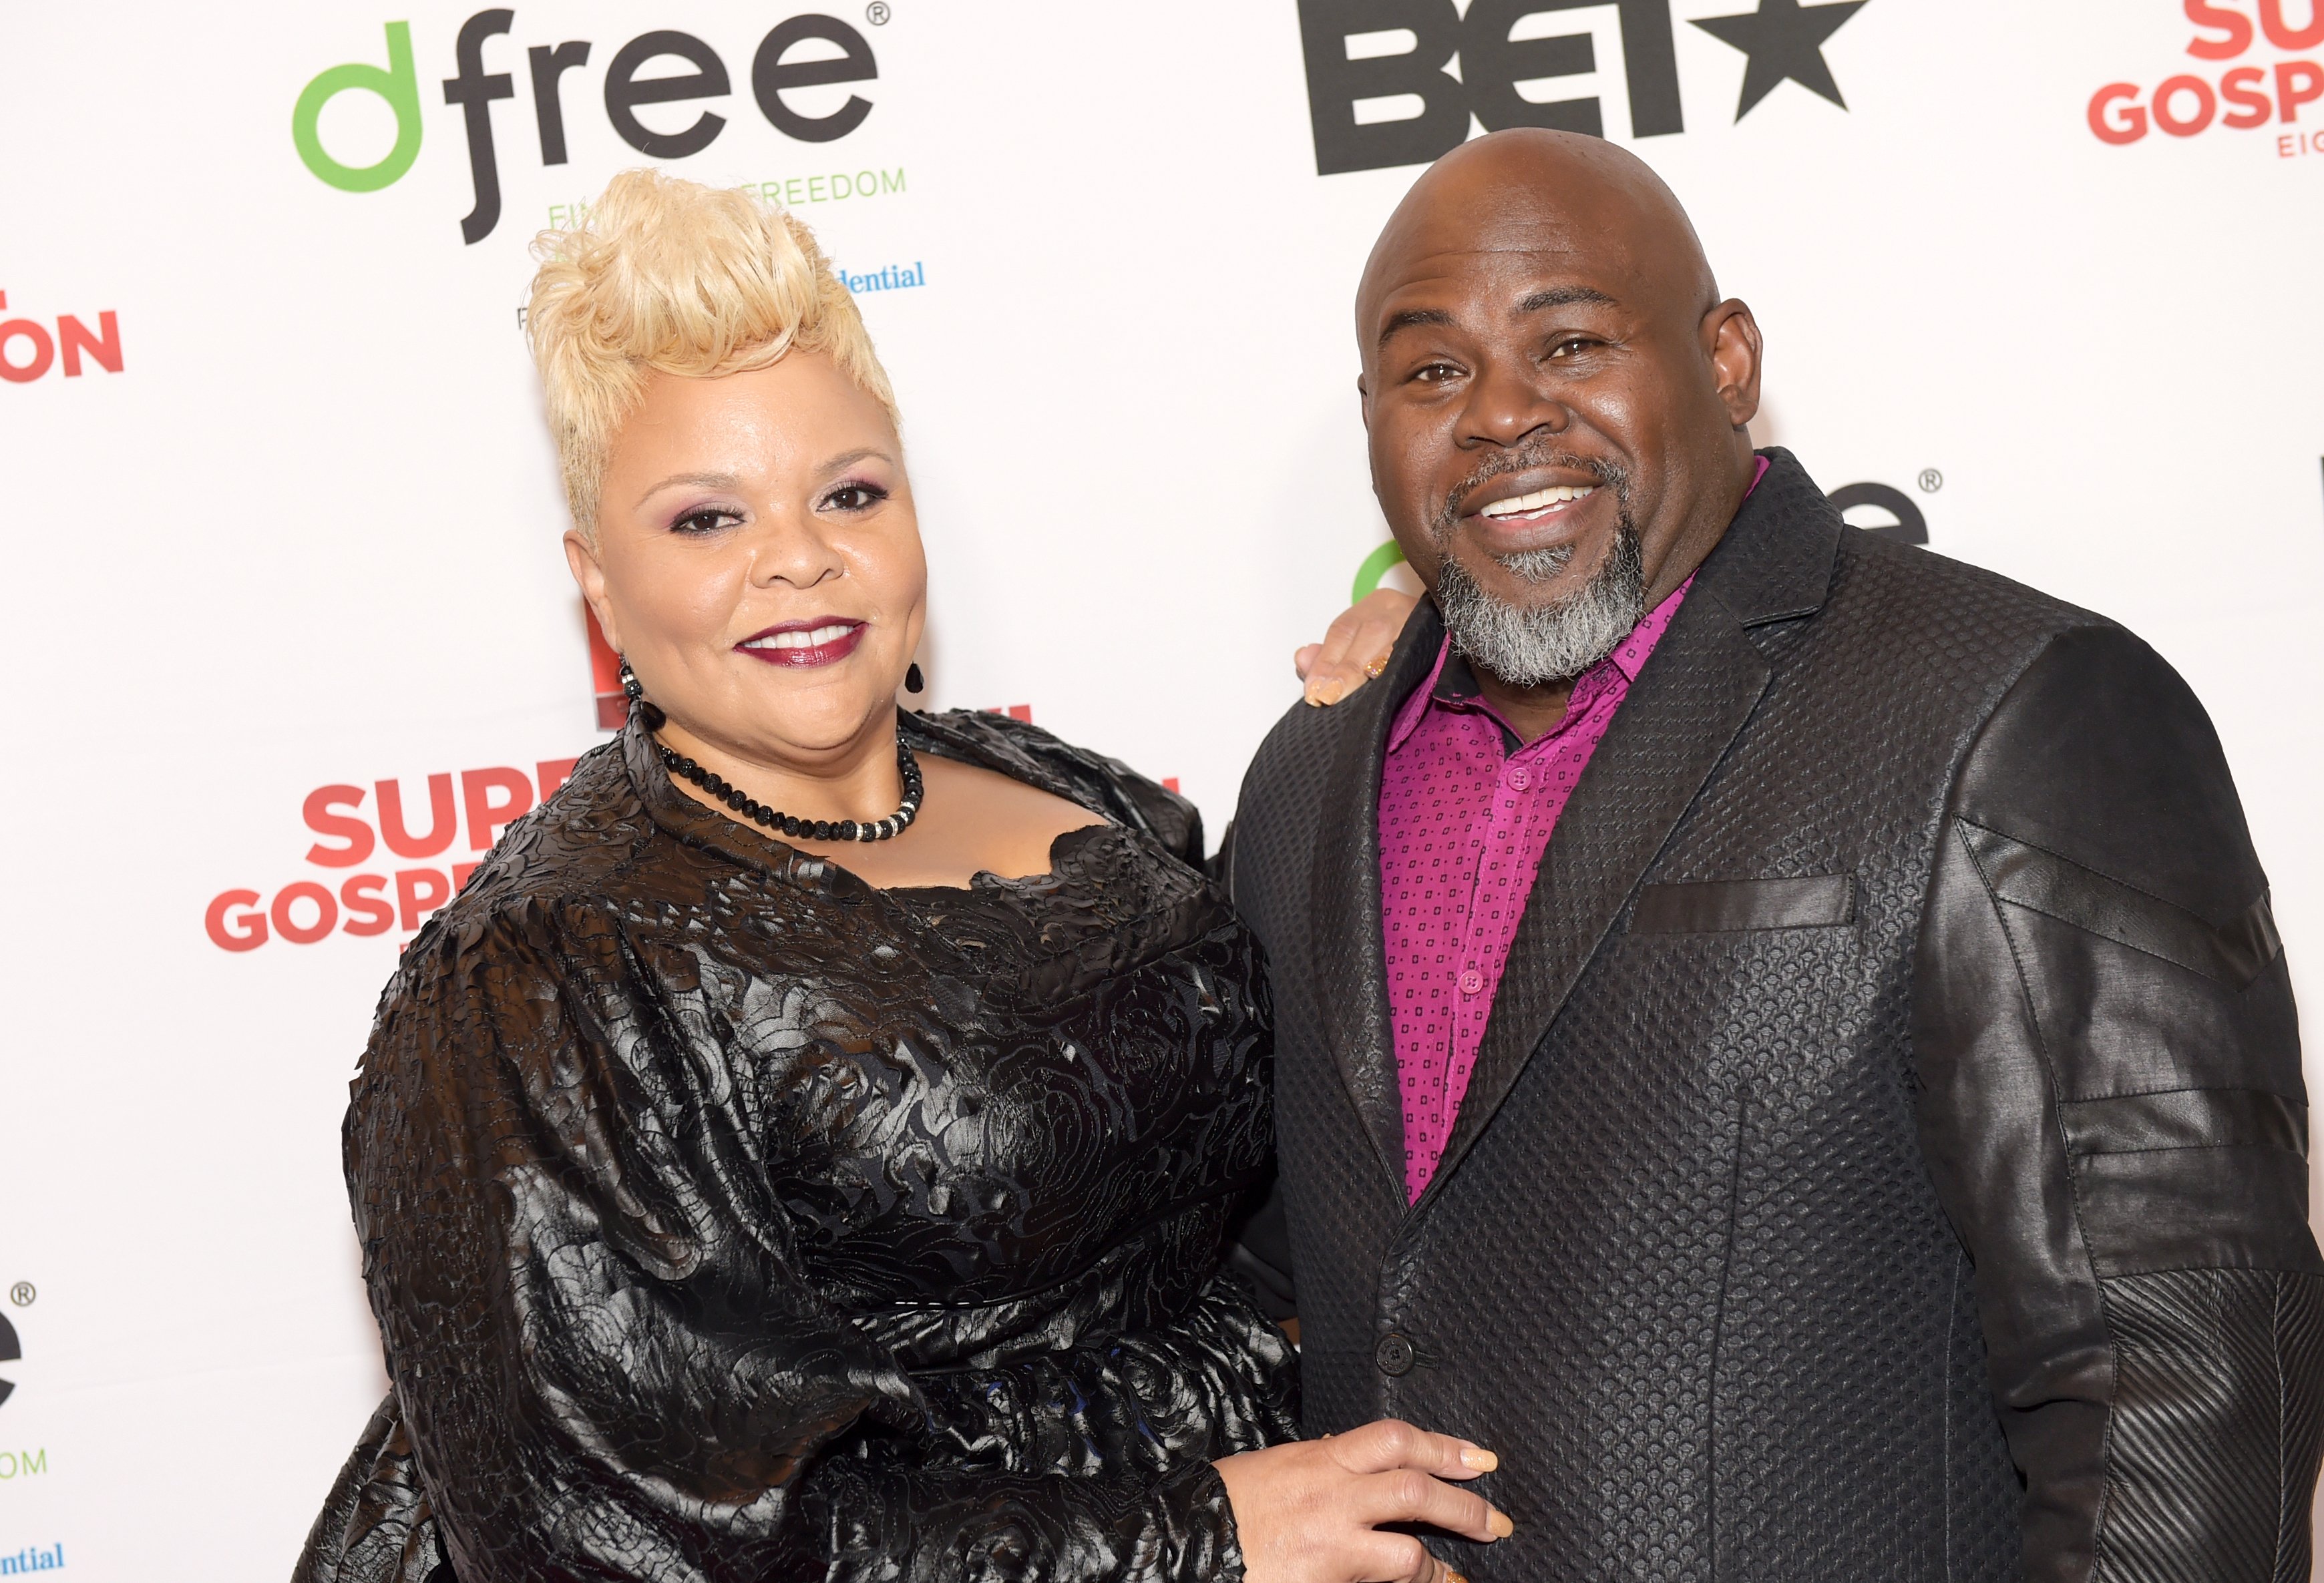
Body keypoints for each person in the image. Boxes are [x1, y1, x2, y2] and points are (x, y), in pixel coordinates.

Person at [294, 170, 1507, 1583]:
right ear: (598, 580)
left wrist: (1410, 675)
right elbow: (633, 1549)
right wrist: (1205, 1537)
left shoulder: (1074, 793)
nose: (799, 560)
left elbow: (1297, 1066)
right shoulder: (540, 974)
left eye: (849, 493)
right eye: (707, 519)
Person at [1225, 128, 2323, 1581]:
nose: (1499, 415)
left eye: (1570, 341)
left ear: (1727, 359)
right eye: (1431, 373)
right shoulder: (1304, 780)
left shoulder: (2004, 703)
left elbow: (2177, 1367)